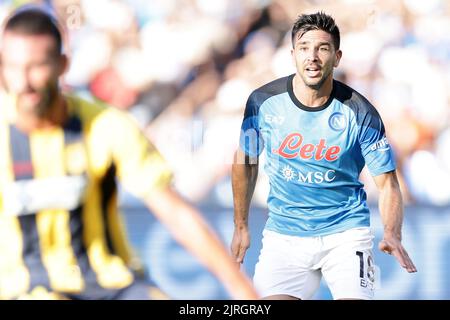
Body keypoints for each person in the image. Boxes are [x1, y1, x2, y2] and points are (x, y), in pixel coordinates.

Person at [0, 6, 258, 300]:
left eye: (37, 66)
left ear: (62, 64)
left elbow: (176, 214)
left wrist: (244, 291)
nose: (24, 81)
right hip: (25, 292)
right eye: (13, 67)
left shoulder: (107, 125)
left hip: (114, 287)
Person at [231, 11, 417, 300]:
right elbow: (245, 162)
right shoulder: (262, 102)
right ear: (293, 55)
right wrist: (241, 225)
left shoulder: (360, 113)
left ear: (337, 57)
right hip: (285, 235)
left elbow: (387, 183)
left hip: (345, 234)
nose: (312, 57)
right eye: (304, 48)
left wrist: (392, 232)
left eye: (323, 48)